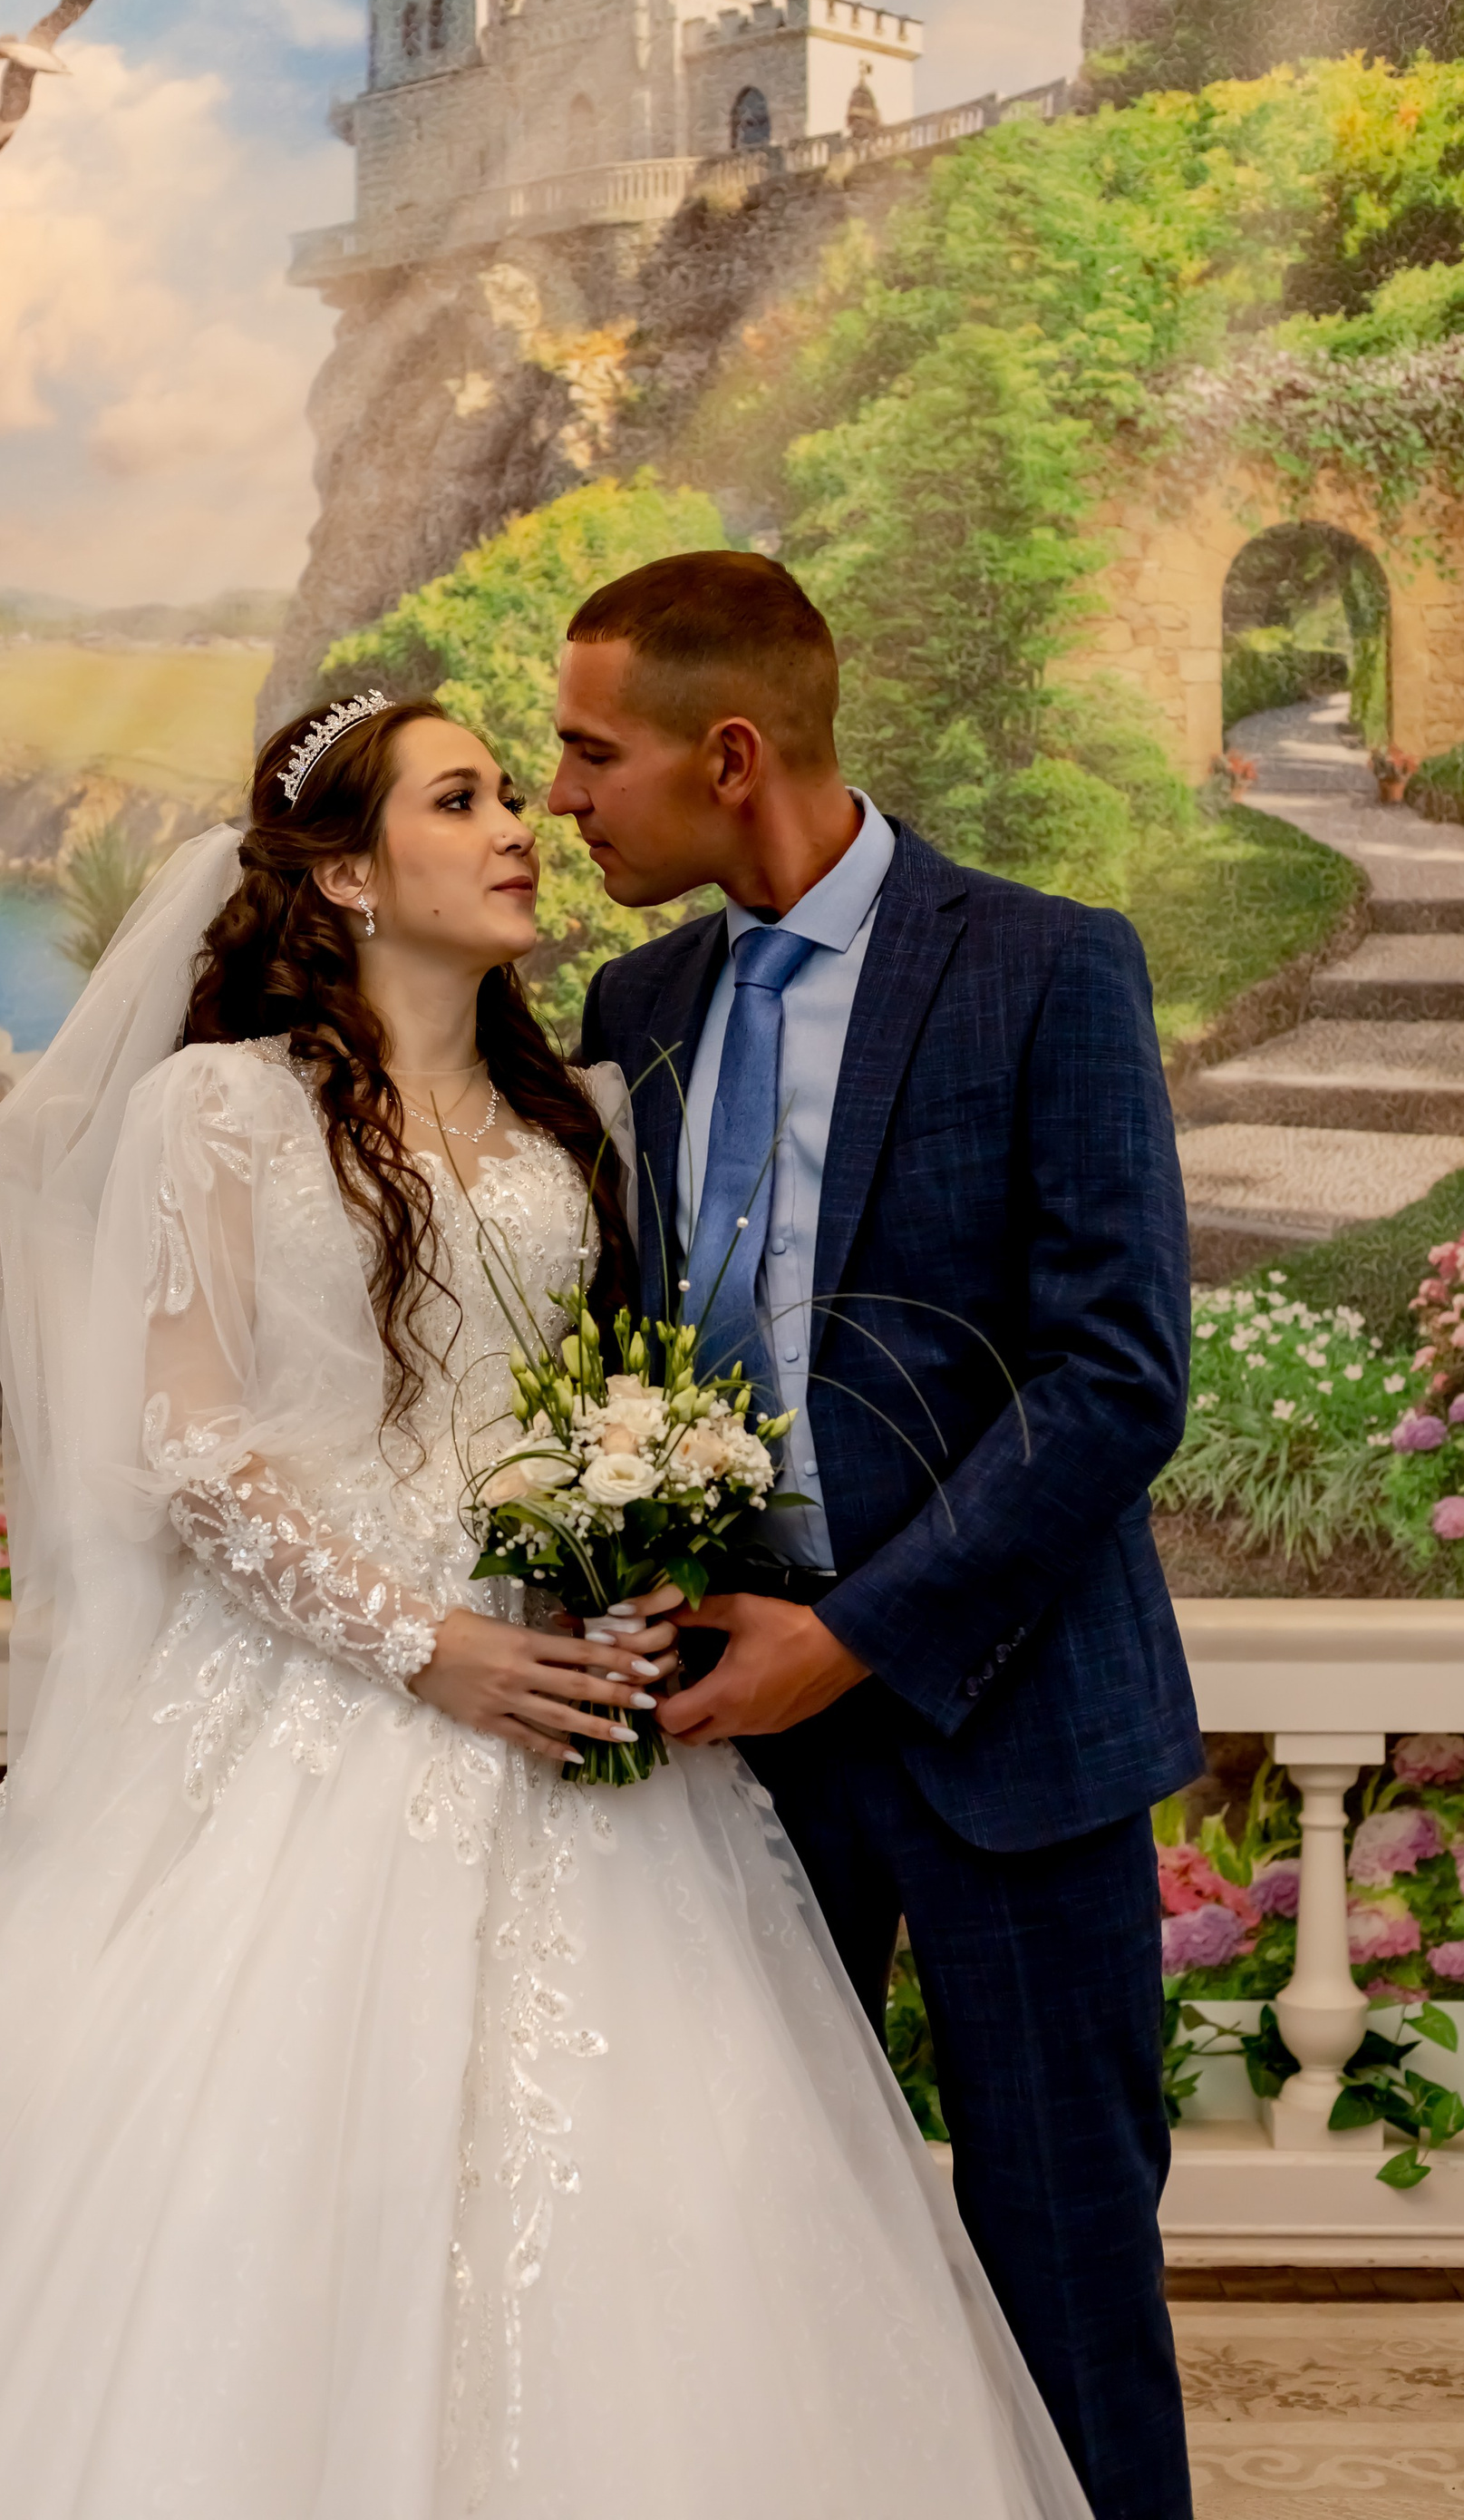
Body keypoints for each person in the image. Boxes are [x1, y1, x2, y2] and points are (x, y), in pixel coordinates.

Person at [0, 692, 1090, 2520]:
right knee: (264, 2186)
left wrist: (644, 1543)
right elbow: (189, 1451)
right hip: (327, 1698)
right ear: (346, 876)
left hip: (579, 1706)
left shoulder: (577, 1111)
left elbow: (618, 1387)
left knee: (678, 2205)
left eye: (517, 789)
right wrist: (425, 1645)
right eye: (462, 799)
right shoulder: (223, 1104)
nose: (522, 824)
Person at [553, 553, 1202, 2520]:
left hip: (1016, 1730)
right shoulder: (633, 1003)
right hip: (733, 1768)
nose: (562, 797)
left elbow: (1116, 1373)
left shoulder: (1048, 964)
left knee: (1067, 2268)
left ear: (730, 754)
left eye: (592, 753)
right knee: (756, 2277)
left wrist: (853, 1637)